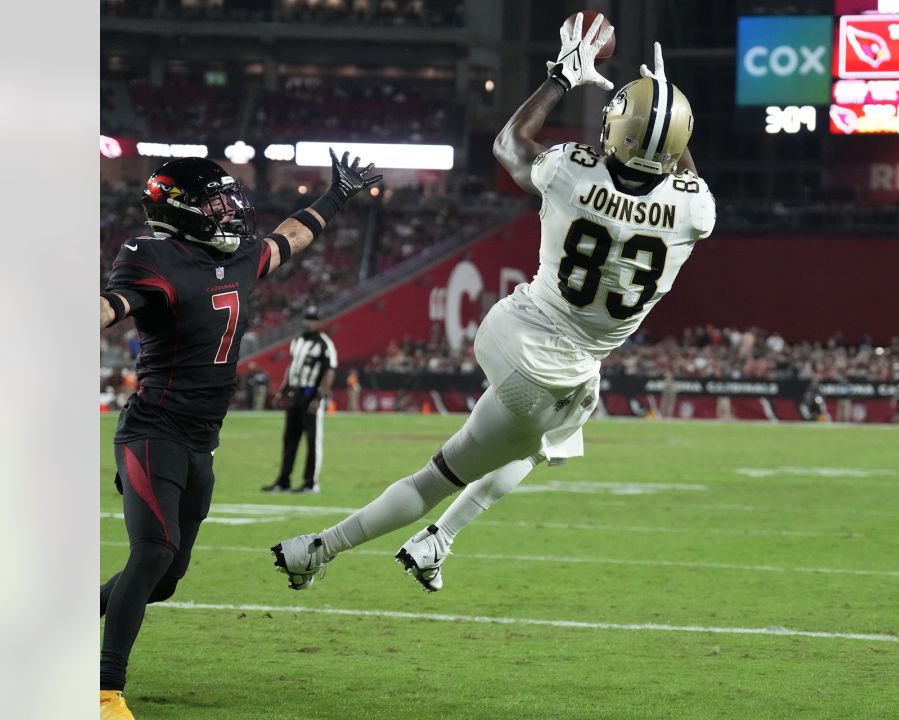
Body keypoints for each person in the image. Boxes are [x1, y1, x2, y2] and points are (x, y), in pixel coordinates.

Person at [270, 24, 714, 595]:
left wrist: (562, 77)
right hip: (556, 361)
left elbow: (509, 144)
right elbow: (684, 174)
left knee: (540, 444)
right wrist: (668, 110)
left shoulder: (574, 173)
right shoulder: (694, 211)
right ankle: (319, 549)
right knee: (450, 471)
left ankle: (438, 540)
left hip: (524, 339)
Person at [99, 151, 380, 719]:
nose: (227, 212)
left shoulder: (240, 255)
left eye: (229, 200)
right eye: (214, 203)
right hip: (154, 429)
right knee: (152, 553)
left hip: (201, 441)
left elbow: (291, 237)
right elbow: (110, 306)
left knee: (167, 578)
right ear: (176, 210)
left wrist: (338, 196)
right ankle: (103, 690)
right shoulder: (152, 256)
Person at [263, 306, 338, 494]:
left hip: (311, 394)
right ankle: (283, 481)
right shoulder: (296, 341)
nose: (309, 322)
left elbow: (329, 371)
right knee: (289, 439)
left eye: (313, 319)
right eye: (307, 319)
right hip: (295, 394)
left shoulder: (324, 343)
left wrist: (319, 397)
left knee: (312, 441)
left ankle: (310, 483)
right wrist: (283, 390)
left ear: (319, 322)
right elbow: (292, 366)